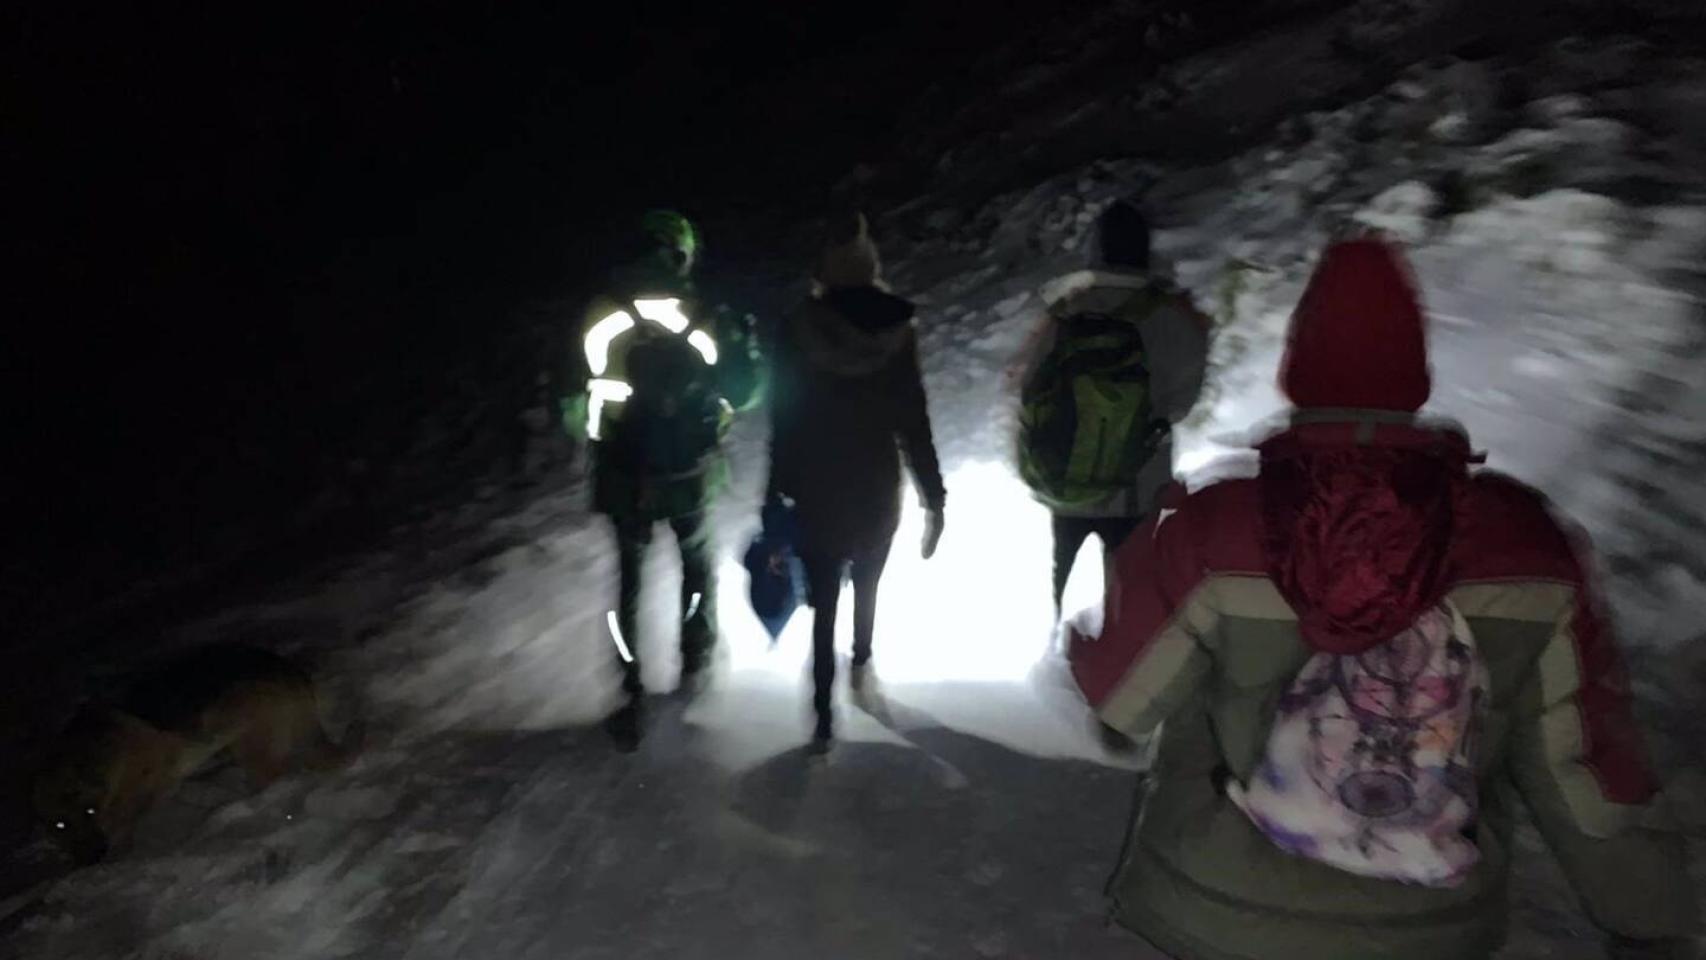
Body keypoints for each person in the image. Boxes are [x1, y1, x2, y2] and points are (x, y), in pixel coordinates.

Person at [1068, 237, 1698, 960]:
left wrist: (1098, 631)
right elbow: (1578, 766)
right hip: (1427, 927)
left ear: (1295, 368)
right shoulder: (1530, 546)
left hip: (1221, 911)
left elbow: (1121, 698)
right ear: (1416, 373)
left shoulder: (1215, 523)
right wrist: (1648, 914)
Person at [561, 210, 761, 751]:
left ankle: (628, 681)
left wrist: (604, 434)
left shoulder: (601, 312)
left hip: (623, 473)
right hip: (689, 472)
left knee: (628, 578)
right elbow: (744, 393)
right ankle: (694, 660)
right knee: (696, 565)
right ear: (683, 253)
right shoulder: (705, 312)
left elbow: (574, 406)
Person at [767, 212, 945, 751]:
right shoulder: (897, 331)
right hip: (875, 483)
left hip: (817, 485)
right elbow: (914, 420)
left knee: (823, 598)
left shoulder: (797, 329)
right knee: (867, 579)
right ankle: (862, 662)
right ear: (871, 266)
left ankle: (822, 713)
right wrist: (933, 498)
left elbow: (784, 423)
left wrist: (773, 503)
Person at [1013, 199, 1208, 618]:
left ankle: (1058, 650)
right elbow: (1183, 402)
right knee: (1131, 588)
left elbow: (1031, 386)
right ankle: (1123, 666)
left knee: (1064, 579)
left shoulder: (1066, 309)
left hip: (1069, 476)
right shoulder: (1172, 316)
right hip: (1139, 482)